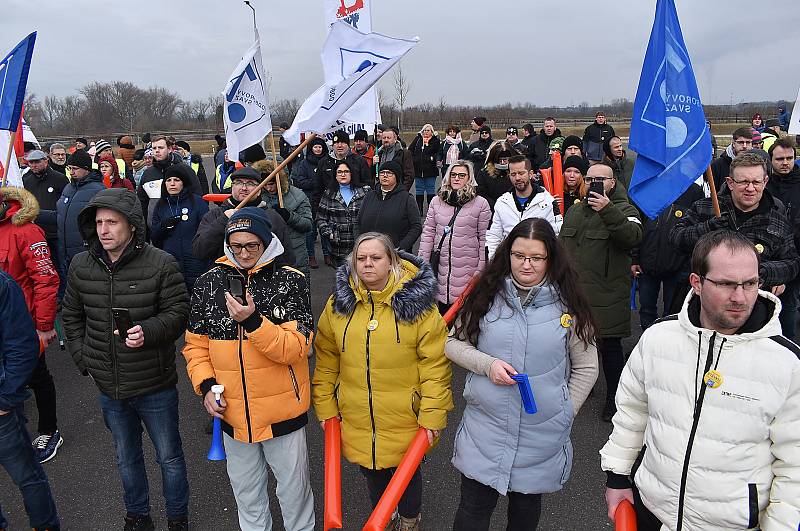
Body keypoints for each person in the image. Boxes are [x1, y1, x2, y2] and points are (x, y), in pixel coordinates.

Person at [601, 230, 800, 531]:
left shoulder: (787, 364)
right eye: (726, 284)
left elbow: (794, 464)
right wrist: (617, 477)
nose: (740, 296)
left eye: (750, 283)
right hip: (652, 515)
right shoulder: (658, 339)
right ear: (696, 283)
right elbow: (632, 412)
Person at [447, 218, 599, 530]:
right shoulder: (485, 294)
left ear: (550, 259)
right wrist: (487, 365)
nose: (526, 265)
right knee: (471, 514)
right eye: (518, 256)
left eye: (536, 258)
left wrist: (565, 411)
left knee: (524, 518)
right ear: (507, 254)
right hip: (485, 429)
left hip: (541, 433)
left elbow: (587, 366)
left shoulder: (569, 306)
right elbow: (451, 343)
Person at [61, 188, 190, 531]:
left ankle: (177, 519)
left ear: (131, 225)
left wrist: (149, 330)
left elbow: (179, 313)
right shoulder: (80, 265)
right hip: (110, 386)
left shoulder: (162, 263)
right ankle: (138, 516)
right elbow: (71, 315)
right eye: (99, 222)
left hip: (155, 383)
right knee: (126, 458)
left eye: (112, 222)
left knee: (169, 458)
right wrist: (83, 356)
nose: (104, 230)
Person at [184, 207, 315, 531]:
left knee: (295, 496)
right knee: (248, 498)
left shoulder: (291, 280)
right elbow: (196, 346)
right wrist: (205, 387)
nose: (243, 253)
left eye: (252, 246)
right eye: (236, 245)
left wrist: (254, 322)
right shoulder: (207, 283)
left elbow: (299, 348)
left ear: (267, 242)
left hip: (282, 414)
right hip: (233, 416)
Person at [313, 233, 453, 531]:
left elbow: (435, 368)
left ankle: (409, 518)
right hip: (357, 412)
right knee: (372, 470)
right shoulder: (338, 304)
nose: (367, 265)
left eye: (376, 258)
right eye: (361, 258)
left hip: (406, 414)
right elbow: (326, 361)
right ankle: (383, 513)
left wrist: (432, 417)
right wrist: (326, 408)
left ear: (392, 262)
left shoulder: (419, 308)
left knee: (408, 473)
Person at [670, 152, 800, 338]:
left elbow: (792, 263)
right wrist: (706, 228)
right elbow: (675, 238)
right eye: (743, 182)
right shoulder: (705, 208)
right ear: (730, 183)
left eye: (756, 182)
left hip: (751, 314)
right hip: (701, 310)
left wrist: (759, 272)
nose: (750, 188)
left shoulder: (776, 220)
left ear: (765, 182)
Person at [560, 163, 642, 422]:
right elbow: (563, 246)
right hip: (574, 294)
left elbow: (632, 237)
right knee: (576, 344)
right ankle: (584, 388)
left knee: (609, 349)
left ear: (612, 183)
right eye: (589, 178)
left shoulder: (626, 210)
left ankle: (614, 398)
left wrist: (607, 210)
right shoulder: (574, 211)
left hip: (607, 294)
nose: (593, 183)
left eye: (600, 179)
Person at [0, 185, 62, 464]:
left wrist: (45, 325)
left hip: (22, 327)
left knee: (37, 377)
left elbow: (46, 279)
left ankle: (49, 430)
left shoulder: (25, 230)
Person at [0, 269, 60, 531]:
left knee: (27, 476)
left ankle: (45, 526)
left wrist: (5, 400)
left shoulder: (2, 285)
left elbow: (23, 346)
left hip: (1, 411)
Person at [418, 160, 491, 314]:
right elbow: (428, 233)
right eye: (453, 175)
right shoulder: (436, 201)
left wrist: (480, 270)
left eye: (461, 175)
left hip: (468, 272)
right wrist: (422, 264)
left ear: (469, 178)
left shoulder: (480, 204)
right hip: (441, 270)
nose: (456, 178)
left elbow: (485, 240)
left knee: (464, 320)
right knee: (442, 319)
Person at [631, 184, 704, 330]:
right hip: (647, 264)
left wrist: (689, 264)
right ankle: (647, 345)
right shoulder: (651, 187)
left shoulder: (693, 191)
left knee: (672, 312)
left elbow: (698, 229)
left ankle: (667, 347)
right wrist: (635, 258)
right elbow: (639, 227)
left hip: (678, 265)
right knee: (646, 309)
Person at [192, 167, 295, 269]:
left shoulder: (272, 217)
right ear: (232, 187)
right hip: (224, 281)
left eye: (250, 183)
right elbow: (199, 251)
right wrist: (223, 221)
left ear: (259, 189)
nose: (244, 188)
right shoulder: (215, 215)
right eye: (238, 182)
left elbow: (287, 258)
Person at [150, 164, 210, 294]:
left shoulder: (197, 202)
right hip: (171, 262)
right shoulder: (161, 205)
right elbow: (154, 238)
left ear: (184, 183)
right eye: (168, 180)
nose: (172, 184)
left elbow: (207, 233)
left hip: (195, 261)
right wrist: (163, 226)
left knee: (198, 297)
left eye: (176, 180)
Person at [486, 155, 561, 259]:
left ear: (530, 174)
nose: (517, 178)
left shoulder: (548, 202)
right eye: (513, 174)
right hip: (509, 264)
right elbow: (494, 237)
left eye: (521, 173)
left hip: (538, 263)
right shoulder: (502, 203)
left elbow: (556, 236)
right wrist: (493, 262)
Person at [766, 138, 800, 337]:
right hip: (768, 254)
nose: (785, 162)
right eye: (780, 159)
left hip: (794, 253)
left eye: (789, 158)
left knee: (788, 306)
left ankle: (787, 345)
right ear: (771, 160)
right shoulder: (765, 184)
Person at [255, 159, 313, 277]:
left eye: (271, 184)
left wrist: (289, 216)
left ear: (280, 181)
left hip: (295, 252)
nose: (269, 188)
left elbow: (307, 225)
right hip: (267, 254)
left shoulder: (298, 196)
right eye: (265, 184)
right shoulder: (256, 198)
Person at [22, 150, 69, 284]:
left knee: (60, 266)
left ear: (46, 161)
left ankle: (62, 295)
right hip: (36, 233)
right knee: (42, 267)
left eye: (37, 161)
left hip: (56, 232)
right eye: (31, 162)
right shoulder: (26, 180)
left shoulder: (59, 179)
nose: (34, 165)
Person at [56, 150, 105, 275]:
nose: (71, 172)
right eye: (69, 168)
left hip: (86, 252)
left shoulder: (98, 190)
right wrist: (34, 213)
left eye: (75, 168)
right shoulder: (68, 188)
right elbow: (59, 215)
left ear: (86, 169)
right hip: (65, 253)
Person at [358, 161, 422, 253]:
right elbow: (358, 222)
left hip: (395, 254)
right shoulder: (369, 195)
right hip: (368, 251)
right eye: (382, 173)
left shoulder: (406, 198)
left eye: (389, 173)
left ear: (397, 176)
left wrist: (400, 248)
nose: (385, 175)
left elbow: (416, 227)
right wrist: (359, 243)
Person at [138, 136, 203, 226]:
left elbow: (197, 196)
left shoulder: (184, 170)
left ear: (169, 149)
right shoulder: (147, 174)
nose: (157, 151)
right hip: (156, 229)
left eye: (161, 147)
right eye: (154, 148)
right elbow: (142, 203)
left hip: (183, 226)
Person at [317, 160, 371, 267]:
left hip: (361, 245)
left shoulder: (365, 192)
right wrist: (329, 233)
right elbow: (320, 218)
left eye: (346, 171)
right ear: (335, 175)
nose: (343, 174)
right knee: (342, 279)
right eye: (339, 172)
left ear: (352, 174)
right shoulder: (329, 194)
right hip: (338, 248)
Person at [291, 136, 332, 268]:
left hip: (325, 199)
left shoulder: (328, 162)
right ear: (311, 148)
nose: (318, 149)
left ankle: (327, 254)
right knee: (310, 229)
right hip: (309, 199)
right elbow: (299, 180)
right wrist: (315, 183)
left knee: (326, 228)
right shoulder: (304, 163)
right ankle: (311, 256)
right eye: (315, 147)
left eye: (320, 147)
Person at [476, 141, 521, 211]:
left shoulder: (519, 172)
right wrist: (496, 205)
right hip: (492, 209)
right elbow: (481, 193)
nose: (502, 163)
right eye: (500, 160)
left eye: (505, 160)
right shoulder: (484, 173)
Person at [408, 124, 441, 213]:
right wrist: (414, 159)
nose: (426, 132)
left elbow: (438, 152)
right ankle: (420, 209)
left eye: (428, 130)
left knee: (430, 188)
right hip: (418, 169)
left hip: (430, 169)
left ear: (432, 132)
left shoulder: (435, 140)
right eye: (425, 130)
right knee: (419, 189)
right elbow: (410, 150)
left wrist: (432, 158)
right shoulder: (418, 139)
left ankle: (431, 209)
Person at [375, 127, 416, 191]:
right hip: (381, 190)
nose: (386, 140)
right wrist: (373, 164)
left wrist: (403, 190)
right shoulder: (378, 153)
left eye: (388, 138)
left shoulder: (403, 153)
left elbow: (409, 175)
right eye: (384, 138)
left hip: (397, 191)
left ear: (395, 139)